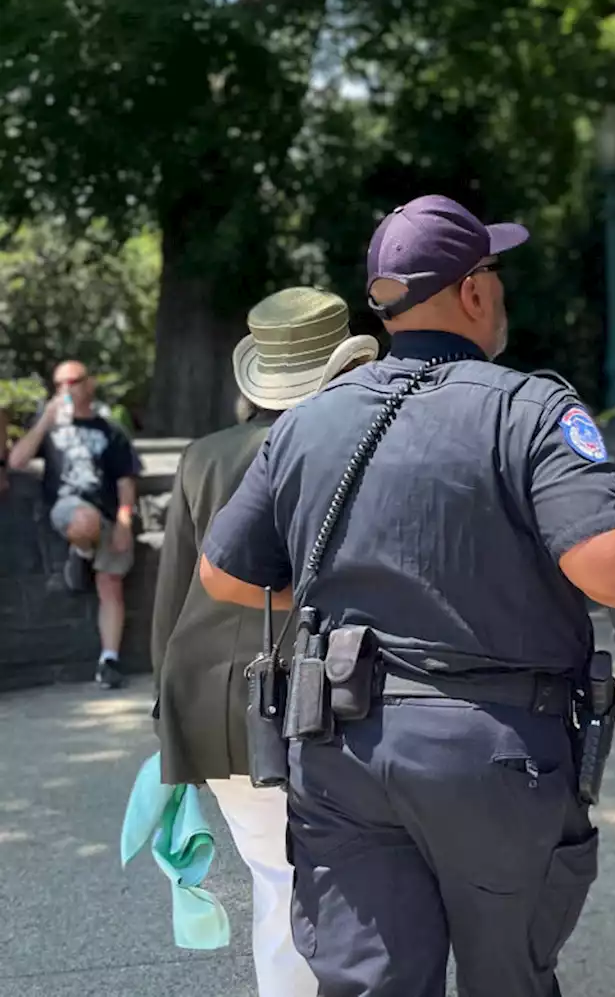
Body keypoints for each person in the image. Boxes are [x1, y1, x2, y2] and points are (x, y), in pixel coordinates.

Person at [198, 194, 615, 996]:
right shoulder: (530, 410)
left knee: (368, 981)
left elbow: (224, 574)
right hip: (492, 749)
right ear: (474, 289)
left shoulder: (307, 422)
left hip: (339, 748)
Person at [152, 287, 379, 997]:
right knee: (328, 883)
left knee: (275, 879)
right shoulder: (345, 445)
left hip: (205, 696)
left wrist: (163, 708)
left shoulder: (203, 455)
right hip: (310, 696)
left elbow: (173, 601)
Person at [7, 360, 141, 688]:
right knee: (85, 519)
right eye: (60, 384)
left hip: (107, 513)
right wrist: (44, 423)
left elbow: (126, 481)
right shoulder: (50, 426)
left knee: (111, 583)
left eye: (74, 381)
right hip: (67, 508)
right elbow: (16, 461)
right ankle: (80, 555)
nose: (66, 388)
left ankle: (108, 660)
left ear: (89, 384)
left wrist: (125, 521)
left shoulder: (109, 430)